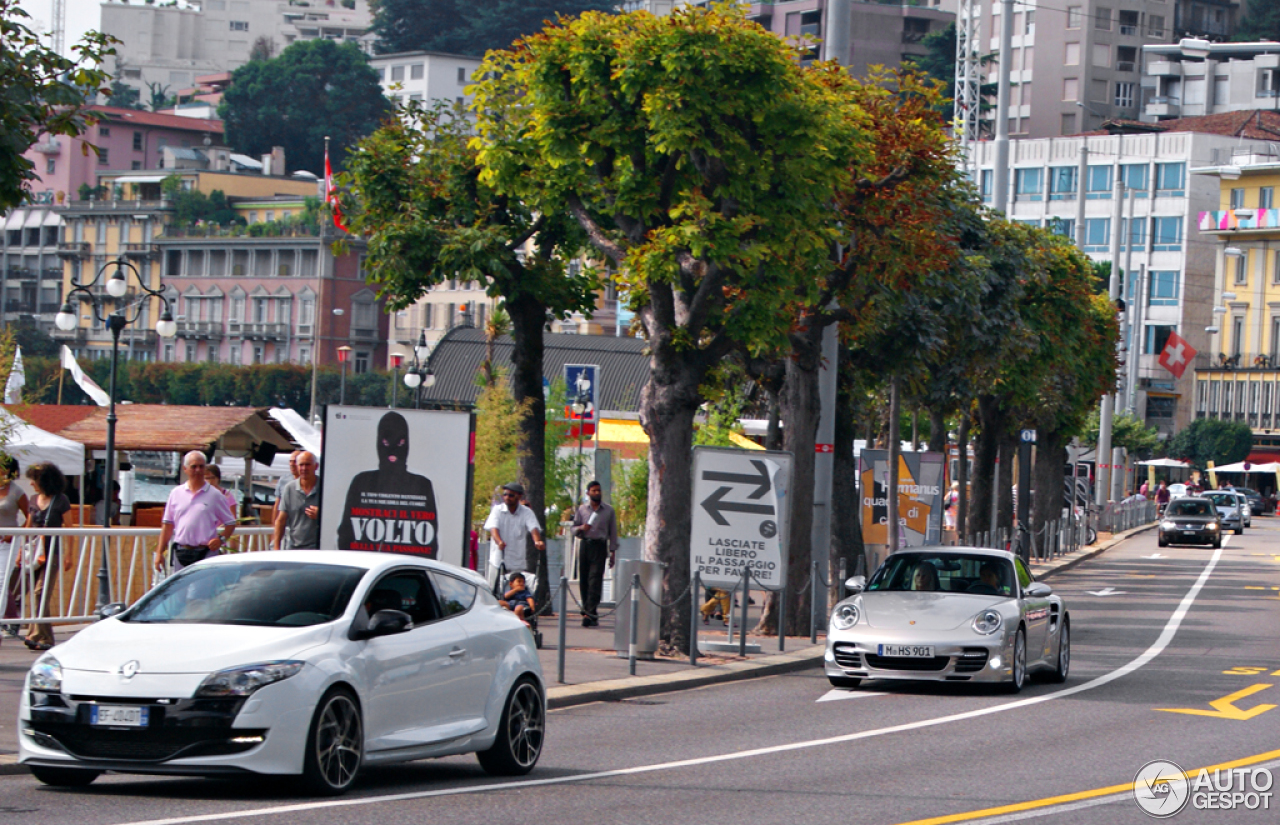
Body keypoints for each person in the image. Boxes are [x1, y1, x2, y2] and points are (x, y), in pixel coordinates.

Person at [336, 412, 438, 555]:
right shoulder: (361, 482)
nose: (392, 449)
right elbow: (346, 535)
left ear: (407, 445)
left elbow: (430, 545)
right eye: (386, 442)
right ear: (378, 443)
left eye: (400, 443)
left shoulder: (422, 485)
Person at [153, 451, 237, 574]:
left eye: (201, 466)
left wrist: (221, 539)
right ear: (185, 469)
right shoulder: (176, 493)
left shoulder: (215, 495)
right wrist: (159, 552)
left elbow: (230, 522)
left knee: (202, 592)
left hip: (206, 553)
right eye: (194, 466)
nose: (198, 470)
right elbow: (167, 525)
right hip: (181, 553)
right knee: (181, 592)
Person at [20, 463, 71, 651]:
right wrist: (20, 551)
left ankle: (35, 634)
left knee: (40, 593)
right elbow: (28, 525)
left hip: (52, 553)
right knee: (35, 594)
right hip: (34, 552)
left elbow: (69, 529)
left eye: (34, 479)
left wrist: (68, 555)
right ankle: (45, 637)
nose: (32, 483)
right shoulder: (33, 500)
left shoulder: (61, 500)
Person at [571, 480, 618, 627]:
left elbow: (613, 532)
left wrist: (612, 552)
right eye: (594, 491)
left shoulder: (608, 510)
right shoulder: (582, 510)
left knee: (595, 580)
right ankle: (588, 611)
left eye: (599, 490)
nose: (597, 493)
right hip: (585, 544)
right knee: (584, 580)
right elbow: (573, 529)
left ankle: (590, 612)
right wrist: (581, 528)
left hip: (600, 546)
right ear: (588, 493)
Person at [484, 482, 545, 584]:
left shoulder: (526, 512)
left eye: (511, 495)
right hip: (498, 560)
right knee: (493, 589)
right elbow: (493, 529)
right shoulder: (497, 510)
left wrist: (537, 541)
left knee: (515, 591)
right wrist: (499, 542)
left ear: (519, 496)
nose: (507, 497)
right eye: (505, 494)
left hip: (517, 561)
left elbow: (533, 528)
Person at [0, 456, 29, 638]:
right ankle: (12, 617)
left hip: (8, 542)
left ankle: (4, 618)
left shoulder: (17, 492)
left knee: (2, 581)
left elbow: (29, 517)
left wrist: (16, 533)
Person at [274, 451, 320, 550]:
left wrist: (321, 515)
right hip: (293, 547)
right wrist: (276, 547)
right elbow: (281, 520)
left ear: (316, 466)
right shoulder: (289, 488)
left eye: (307, 464)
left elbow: (337, 516)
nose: (304, 468)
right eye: (301, 465)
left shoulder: (324, 487)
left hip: (318, 548)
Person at [272, 451, 301, 549]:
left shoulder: (307, 481)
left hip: (298, 529)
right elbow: (277, 504)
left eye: (295, 461)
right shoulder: (283, 479)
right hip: (283, 525)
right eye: (290, 461)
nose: (292, 464)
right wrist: (274, 528)